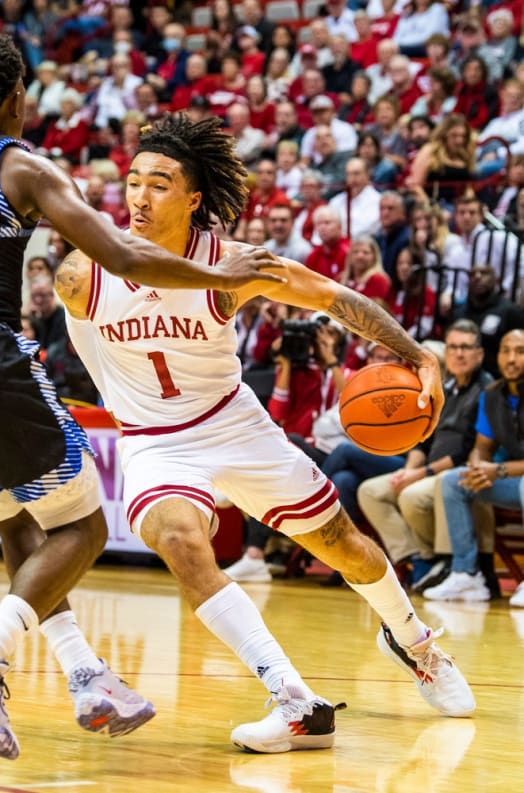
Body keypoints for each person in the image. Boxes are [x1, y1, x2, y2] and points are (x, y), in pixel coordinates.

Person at [0, 36, 283, 760]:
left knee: (17, 521)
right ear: (16, 100)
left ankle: (86, 676)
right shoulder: (18, 164)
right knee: (83, 530)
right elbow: (124, 255)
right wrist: (225, 275)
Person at [57, 112, 474, 755]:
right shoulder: (85, 274)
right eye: (134, 181)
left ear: (194, 198)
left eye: (160, 183)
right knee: (179, 540)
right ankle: (295, 702)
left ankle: (416, 644)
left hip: (234, 425)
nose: (139, 196)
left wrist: (417, 354)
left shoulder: (230, 264)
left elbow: (338, 300)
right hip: (153, 440)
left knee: (347, 547)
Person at [357, 320, 494, 593]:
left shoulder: (486, 390)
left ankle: (444, 561)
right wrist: (408, 469)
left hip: (456, 470)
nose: (459, 353)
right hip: (428, 468)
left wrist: (421, 474)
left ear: (479, 353)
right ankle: (417, 559)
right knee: (370, 491)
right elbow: (424, 437)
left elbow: (465, 450)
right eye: (453, 347)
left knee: (412, 494)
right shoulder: (446, 386)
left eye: (466, 347)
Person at [426, 329, 524, 607]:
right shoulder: (492, 395)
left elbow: (501, 467)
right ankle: (467, 574)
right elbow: (483, 445)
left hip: (517, 478)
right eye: (506, 351)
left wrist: (498, 471)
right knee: (453, 481)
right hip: (512, 482)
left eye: (520, 351)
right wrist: (477, 464)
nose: (512, 359)